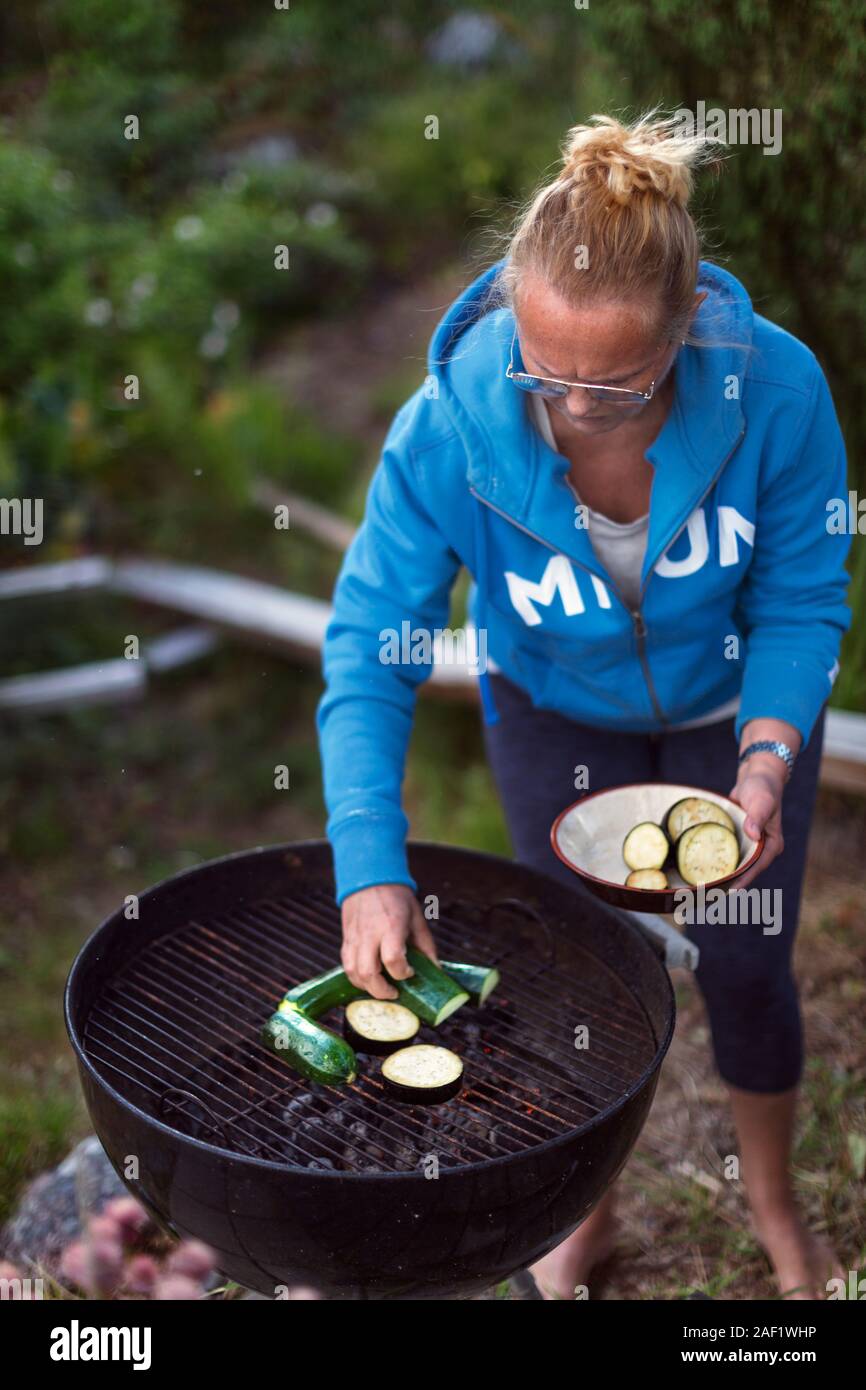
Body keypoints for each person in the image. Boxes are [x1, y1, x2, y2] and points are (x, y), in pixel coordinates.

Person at [316, 111, 853, 1299]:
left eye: (607, 387)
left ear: (679, 342)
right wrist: (368, 859)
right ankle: (586, 1211)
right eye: (539, 371)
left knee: (744, 959)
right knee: (582, 972)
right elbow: (366, 646)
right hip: (552, 712)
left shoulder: (776, 389)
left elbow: (804, 592)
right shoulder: (446, 432)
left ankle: (771, 1203)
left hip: (730, 713)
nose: (564, 407)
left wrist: (764, 759)